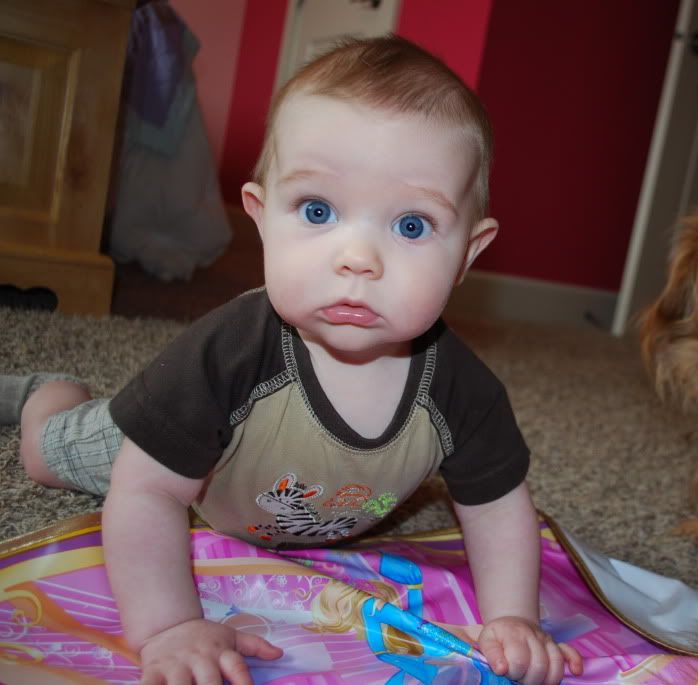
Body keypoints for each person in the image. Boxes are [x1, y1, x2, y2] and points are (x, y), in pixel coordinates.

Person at [1, 35, 583, 685]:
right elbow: (148, 492)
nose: (357, 259)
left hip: (288, 500)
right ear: (261, 216)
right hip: (183, 453)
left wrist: (513, 618)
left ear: (468, 254)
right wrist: (168, 627)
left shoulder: (463, 393)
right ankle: (47, 393)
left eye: (411, 225)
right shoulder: (227, 353)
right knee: (45, 456)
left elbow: (498, 506)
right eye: (317, 210)